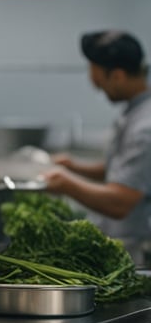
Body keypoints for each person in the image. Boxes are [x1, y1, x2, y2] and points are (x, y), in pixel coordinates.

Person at [45, 30, 151, 260]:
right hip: (124, 242)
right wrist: (75, 167)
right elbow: (123, 171)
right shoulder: (135, 113)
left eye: (101, 84)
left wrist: (66, 184)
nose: (99, 91)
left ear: (118, 76)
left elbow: (120, 203)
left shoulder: (145, 127)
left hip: (138, 249)